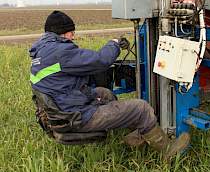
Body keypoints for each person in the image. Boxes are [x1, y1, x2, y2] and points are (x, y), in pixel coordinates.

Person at [29, 10, 190, 160]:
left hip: (60, 113)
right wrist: (113, 44)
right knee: (141, 108)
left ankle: (137, 133)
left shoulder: (42, 52)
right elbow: (100, 60)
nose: (73, 37)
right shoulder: (61, 52)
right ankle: (167, 150)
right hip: (75, 117)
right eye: (72, 33)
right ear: (62, 33)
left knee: (103, 93)